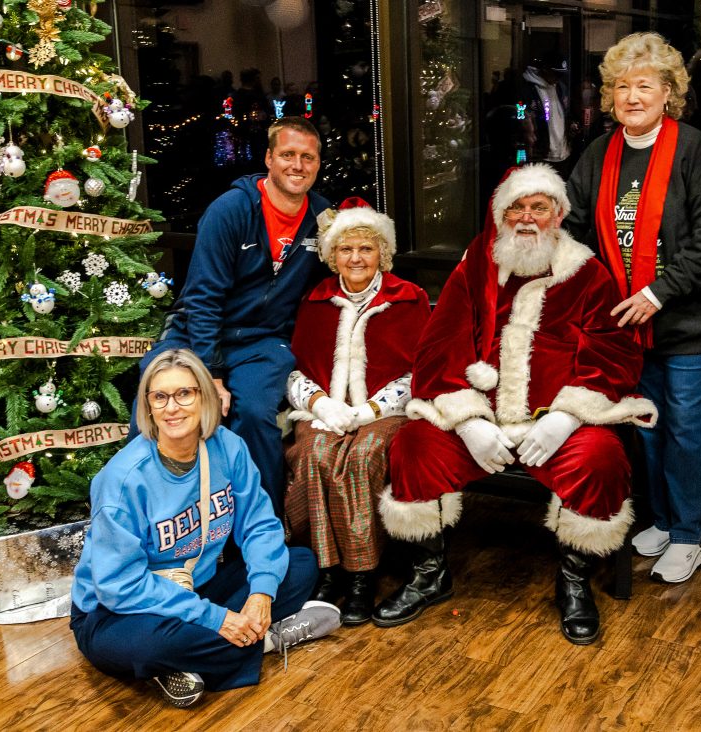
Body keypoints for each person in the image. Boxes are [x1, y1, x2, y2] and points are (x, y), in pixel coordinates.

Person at [371, 164, 656, 645]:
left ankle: (573, 580)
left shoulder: (587, 275)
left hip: (556, 421)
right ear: (500, 215)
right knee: (415, 445)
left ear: (558, 214)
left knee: (601, 458)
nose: (527, 218)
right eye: (516, 208)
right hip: (482, 418)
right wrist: (468, 423)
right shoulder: (474, 269)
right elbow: (439, 348)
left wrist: (565, 418)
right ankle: (430, 574)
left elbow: (613, 352)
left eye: (538, 208)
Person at [70, 349, 341, 709]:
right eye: (160, 396)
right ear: (148, 406)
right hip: (120, 610)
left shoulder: (228, 448)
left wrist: (260, 595)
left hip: (199, 584)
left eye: (184, 393)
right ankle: (267, 641)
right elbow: (118, 586)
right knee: (145, 646)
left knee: (299, 564)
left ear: (204, 398)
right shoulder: (122, 481)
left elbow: (259, 525)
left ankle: (186, 662)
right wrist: (215, 618)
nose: (172, 407)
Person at [564, 32, 701, 586]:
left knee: (685, 433)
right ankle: (659, 520)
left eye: (645, 85)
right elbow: (575, 227)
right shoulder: (599, 152)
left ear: (668, 92)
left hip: (685, 324)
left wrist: (657, 292)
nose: (633, 96)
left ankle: (689, 536)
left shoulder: (694, 148)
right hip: (625, 329)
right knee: (648, 429)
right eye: (622, 86)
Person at [136, 117, 333, 516]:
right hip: (199, 333)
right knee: (158, 398)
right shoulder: (230, 211)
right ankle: (154, 519)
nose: (297, 165)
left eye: (307, 158)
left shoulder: (323, 217)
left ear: (316, 164)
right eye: (288, 155)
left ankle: (263, 524)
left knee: (256, 414)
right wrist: (212, 373)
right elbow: (203, 297)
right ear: (269, 158)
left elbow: (339, 277)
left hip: (265, 339)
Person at [283, 198, 430, 626]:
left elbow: (418, 373)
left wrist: (369, 410)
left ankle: (362, 576)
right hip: (324, 412)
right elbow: (293, 371)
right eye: (346, 249)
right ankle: (328, 573)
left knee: (363, 457)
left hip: (387, 413)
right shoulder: (315, 301)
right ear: (332, 256)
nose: (356, 258)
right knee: (315, 456)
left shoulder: (408, 298)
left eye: (366, 248)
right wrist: (320, 404)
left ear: (381, 252)